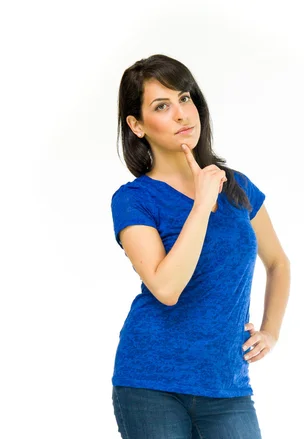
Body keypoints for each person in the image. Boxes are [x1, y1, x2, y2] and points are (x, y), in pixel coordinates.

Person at [109, 54, 290, 439]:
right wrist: (202, 205)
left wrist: (271, 331)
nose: (181, 114)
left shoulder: (237, 187)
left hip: (227, 383)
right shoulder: (134, 200)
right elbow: (166, 288)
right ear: (136, 125)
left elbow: (277, 262)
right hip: (151, 381)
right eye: (162, 106)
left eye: (185, 98)